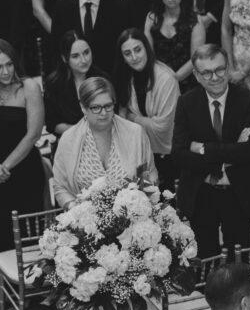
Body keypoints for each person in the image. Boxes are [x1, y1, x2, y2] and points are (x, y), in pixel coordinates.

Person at [171, 44, 250, 258]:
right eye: (206, 72)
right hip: (201, 193)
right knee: (205, 257)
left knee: (239, 259)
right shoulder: (186, 102)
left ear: (228, 68)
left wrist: (203, 148)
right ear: (196, 76)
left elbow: (249, 150)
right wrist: (228, 155)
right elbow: (179, 154)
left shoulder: (248, 100)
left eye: (219, 69)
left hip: (239, 192)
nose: (215, 77)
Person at [53, 76, 156, 206]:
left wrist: (143, 206)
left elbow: (149, 175)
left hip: (132, 214)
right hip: (84, 216)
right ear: (83, 107)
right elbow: (60, 187)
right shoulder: (68, 140)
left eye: (108, 106)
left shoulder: (135, 133)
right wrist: (73, 207)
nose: (103, 113)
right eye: (96, 107)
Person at [113, 28, 179, 188]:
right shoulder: (126, 77)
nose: (134, 57)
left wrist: (132, 118)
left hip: (166, 154)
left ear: (147, 48)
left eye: (138, 50)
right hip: (138, 152)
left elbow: (162, 126)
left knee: (164, 199)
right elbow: (120, 117)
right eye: (127, 53)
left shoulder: (167, 79)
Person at [0, 41, 45, 249]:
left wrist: (4, 167)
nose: (5, 71)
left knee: (30, 240)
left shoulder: (29, 87)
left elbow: (33, 134)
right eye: (0, 67)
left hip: (25, 170)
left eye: (9, 64)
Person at [51, 0, 127, 75]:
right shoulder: (62, 7)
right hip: (72, 80)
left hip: (109, 80)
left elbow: (121, 53)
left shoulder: (118, 8)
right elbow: (55, 50)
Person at [144, 0, 205, 93]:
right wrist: (160, 79)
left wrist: (174, 79)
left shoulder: (194, 20)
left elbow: (196, 59)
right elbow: (148, 54)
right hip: (158, 81)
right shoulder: (152, 18)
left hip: (187, 83)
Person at [44, 31, 105, 137]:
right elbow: (52, 124)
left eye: (86, 53)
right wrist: (83, 131)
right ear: (64, 58)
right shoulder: (54, 85)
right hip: (70, 141)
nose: (83, 60)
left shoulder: (102, 79)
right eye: (75, 56)